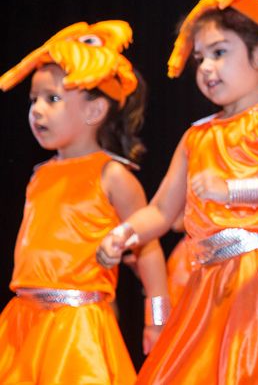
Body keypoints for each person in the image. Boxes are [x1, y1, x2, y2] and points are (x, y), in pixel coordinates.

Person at [97, 0, 258, 384]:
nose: (208, 67)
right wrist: (123, 234)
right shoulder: (196, 135)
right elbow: (161, 211)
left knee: (243, 373)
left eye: (219, 52)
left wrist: (233, 189)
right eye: (200, 58)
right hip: (207, 281)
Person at [0, 20, 168, 384]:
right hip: (22, 322)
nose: (37, 110)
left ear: (94, 111)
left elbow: (149, 251)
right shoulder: (39, 175)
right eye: (33, 100)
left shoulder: (114, 176)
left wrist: (157, 320)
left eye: (52, 99)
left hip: (78, 329)